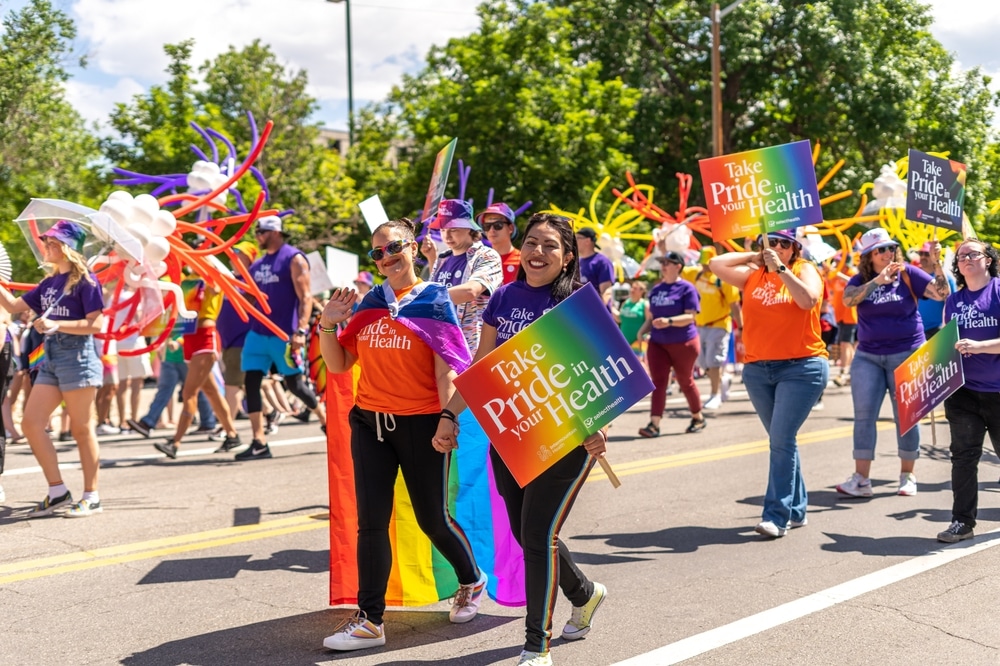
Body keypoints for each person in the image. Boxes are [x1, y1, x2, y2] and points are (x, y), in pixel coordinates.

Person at [435, 213, 608, 666]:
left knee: (537, 536)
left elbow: (603, 372)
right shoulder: (506, 297)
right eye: (532, 242)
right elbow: (482, 364)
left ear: (568, 256)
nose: (537, 252)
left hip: (566, 436)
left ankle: (537, 645)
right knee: (526, 532)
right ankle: (585, 593)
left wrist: (600, 423)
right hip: (511, 433)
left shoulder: (577, 301)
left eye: (550, 246)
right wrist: (450, 414)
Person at [318, 217, 487, 651]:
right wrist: (327, 325)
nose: (386, 258)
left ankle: (471, 578)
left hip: (420, 423)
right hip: (369, 423)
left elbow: (447, 365)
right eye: (377, 253)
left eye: (394, 248)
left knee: (432, 518)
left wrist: (447, 419)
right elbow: (339, 365)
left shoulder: (433, 299)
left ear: (414, 248)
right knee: (371, 523)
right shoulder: (371, 302)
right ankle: (371, 620)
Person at [710, 229, 828, 538]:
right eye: (770, 242)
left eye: (783, 244)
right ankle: (797, 509)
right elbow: (716, 264)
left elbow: (809, 300)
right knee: (782, 441)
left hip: (801, 367)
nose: (775, 247)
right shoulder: (752, 275)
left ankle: (777, 516)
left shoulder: (804, 269)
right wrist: (753, 256)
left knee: (781, 439)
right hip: (758, 370)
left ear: (794, 249)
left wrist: (782, 269)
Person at [0, 221, 105, 517]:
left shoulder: (86, 281)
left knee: (82, 429)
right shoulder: (48, 283)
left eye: (51, 242)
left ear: (65, 247)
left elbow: (96, 324)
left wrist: (58, 324)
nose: (45, 246)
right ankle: (57, 490)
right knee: (32, 424)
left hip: (78, 357)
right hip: (53, 356)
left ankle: (91, 496)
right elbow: (11, 306)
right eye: (46, 242)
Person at [835, 229, 948, 498]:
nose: (888, 253)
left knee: (907, 418)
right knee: (863, 418)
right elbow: (848, 299)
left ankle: (907, 475)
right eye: (880, 250)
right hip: (868, 357)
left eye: (890, 248)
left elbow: (942, 293)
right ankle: (861, 479)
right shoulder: (860, 279)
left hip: (907, 353)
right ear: (868, 257)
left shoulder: (909, 273)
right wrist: (878, 282)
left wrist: (937, 262)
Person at [238, 215, 326, 460]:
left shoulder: (293, 258)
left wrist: (300, 331)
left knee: (294, 384)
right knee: (251, 383)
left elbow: (305, 297)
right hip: (257, 333)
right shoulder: (256, 266)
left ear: (275, 232)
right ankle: (259, 441)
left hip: (283, 334)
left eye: (261, 232)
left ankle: (324, 419)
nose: (258, 236)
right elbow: (250, 300)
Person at [138, 270, 242, 458]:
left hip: (205, 338)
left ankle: (176, 443)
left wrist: (206, 263)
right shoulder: (186, 281)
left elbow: (216, 284)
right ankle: (232, 435)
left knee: (189, 393)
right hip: (189, 338)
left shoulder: (212, 280)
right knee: (210, 391)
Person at [936, 240, 1000, 543]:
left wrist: (980, 347)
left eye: (973, 253)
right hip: (964, 393)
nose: (966, 258)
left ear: (988, 260)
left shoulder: (998, 290)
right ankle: (962, 522)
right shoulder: (954, 301)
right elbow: (946, 343)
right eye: (961, 256)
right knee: (963, 458)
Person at [637, 251, 704, 436]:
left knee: (685, 381)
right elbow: (652, 318)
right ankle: (654, 424)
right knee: (658, 383)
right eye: (662, 262)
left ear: (678, 266)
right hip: (658, 343)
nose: (663, 265)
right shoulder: (656, 290)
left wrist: (669, 321)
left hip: (684, 343)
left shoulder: (687, 288)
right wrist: (642, 331)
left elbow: (690, 317)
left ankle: (698, 417)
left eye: (668, 262)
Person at [430, 199, 503, 355]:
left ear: (470, 228)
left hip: (471, 349)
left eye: (453, 229)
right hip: (438, 344)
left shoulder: (487, 256)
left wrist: (419, 297)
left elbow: (470, 291)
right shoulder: (442, 259)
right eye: (443, 229)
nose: (447, 234)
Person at [682, 246, 741, 410]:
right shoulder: (695, 273)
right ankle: (722, 380)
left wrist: (741, 326)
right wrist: (665, 246)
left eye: (707, 263)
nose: (704, 266)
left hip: (719, 325)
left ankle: (715, 395)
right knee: (701, 362)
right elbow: (676, 266)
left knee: (713, 362)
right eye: (702, 263)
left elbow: (734, 305)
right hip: (699, 326)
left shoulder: (722, 278)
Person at [827, 258, 858, 387]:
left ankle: (843, 373)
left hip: (850, 315)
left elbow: (856, 284)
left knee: (846, 344)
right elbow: (829, 284)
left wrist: (837, 273)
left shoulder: (852, 272)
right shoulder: (836, 274)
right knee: (848, 345)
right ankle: (849, 371)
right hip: (839, 315)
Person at [916, 239, 956, 338]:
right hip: (916, 330)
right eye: (921, 253)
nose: (923, 257)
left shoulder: (945, 278)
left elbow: (952, 303)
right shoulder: (914, 275)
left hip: (937, 330)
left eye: (926, 254)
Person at [479, 202, 521, 285]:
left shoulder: (523, 261)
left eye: (498, 225)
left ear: (511, 228)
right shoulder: (479, 260)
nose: (491, 230)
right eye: (487, 226)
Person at [611, 281, 649, 371]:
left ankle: (646, 384)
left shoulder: (644, 304)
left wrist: (645, 335)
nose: (632, 290)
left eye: (635, 288)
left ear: (642, 291)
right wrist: (610, 307)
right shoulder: (626, 303)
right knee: (625, 366)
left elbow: (649, 321)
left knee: (638, 364)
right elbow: (620, 318)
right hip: (624, 340)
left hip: (638, 341)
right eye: (632, 287)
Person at [574, 226, 613, 298]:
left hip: (594, 308)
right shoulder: (577, 261)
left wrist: (596, 309)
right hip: (578, 307)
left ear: (587, 241)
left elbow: (606, 293)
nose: (574, 241)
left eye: (577, 238)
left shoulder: (602, 262)